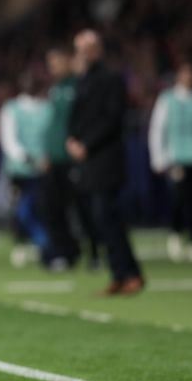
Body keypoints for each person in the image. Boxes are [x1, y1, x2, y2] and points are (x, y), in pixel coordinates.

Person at [67, 30, 143, 295]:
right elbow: (77, 117)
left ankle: (129, 273)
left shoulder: (111, 78)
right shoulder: (83, 81)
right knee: (102, 219)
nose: (84, 53)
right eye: (80, 48)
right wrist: (71, 140)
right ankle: (121, 274)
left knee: (106, 216)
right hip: (89, 160)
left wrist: (85, 143)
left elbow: (113, 119)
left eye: (88, 47)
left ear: (98, 48)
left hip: (106, 159)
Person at [148, 62, 192, 264]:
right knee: (179, 199)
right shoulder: (167, 99)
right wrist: (159, 157)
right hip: (178, 158)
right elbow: (158, 129)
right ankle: (176, 234)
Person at [43, 46, 100, 269]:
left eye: (56, 62)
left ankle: (94, 252)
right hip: (55, 159)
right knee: (54, 209)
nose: (52, 68)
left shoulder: (79, 86)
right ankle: (66, 254)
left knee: (83, 208)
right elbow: (53, 124)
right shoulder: (55, 88)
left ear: (68, 61)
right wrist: (47, 152)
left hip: (74, 159)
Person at [0, 72, 51, 267]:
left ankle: (41, 244)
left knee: (40, 208)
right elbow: (9, 140)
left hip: (43, 169)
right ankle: (28, 243)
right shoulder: (11, 108)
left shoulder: (46, 108)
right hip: (19, 170)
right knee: (21, 210)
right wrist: (28, 158)